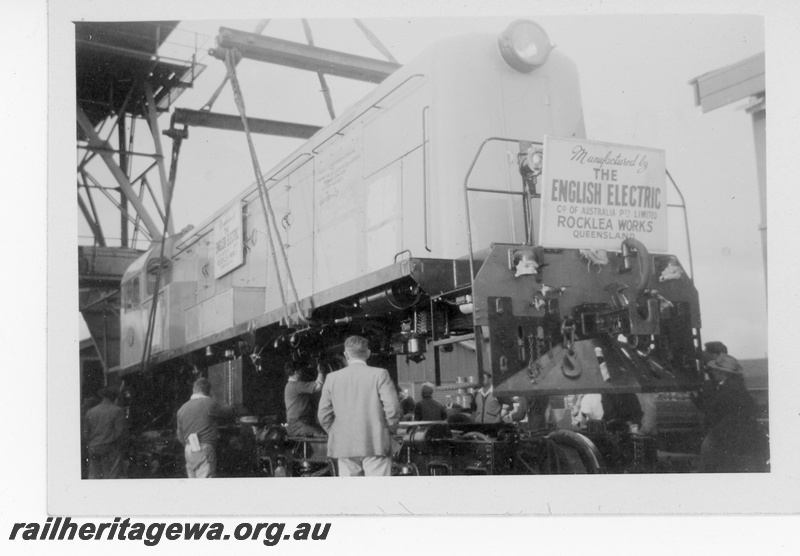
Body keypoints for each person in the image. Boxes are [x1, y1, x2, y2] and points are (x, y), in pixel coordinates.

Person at [317, 336, 401, 477]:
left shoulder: (332, 378)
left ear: (346, 354)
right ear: (368, 353)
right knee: (377, 493)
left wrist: (336, 432)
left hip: (344, 445)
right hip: (376, 443)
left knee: (351, 494)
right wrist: (387, 430)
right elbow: (392, 408)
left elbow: (323, 414)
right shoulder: (380, 374)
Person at [694, 353, 763, 472]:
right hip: (746, 438)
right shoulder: (739, 388)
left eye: (715, 370)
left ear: (722, 373)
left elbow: (714, 414)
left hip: (726, 439)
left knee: (707, 454)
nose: (713, 372)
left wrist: (697, 401)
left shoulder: (725, 391)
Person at [176, 377, 235, 478]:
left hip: (189, 450)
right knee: (205, 485)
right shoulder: (209, 403)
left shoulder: (182, 409)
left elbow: (180, 436)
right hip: (205, 449)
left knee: (193, 485)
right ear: (208, 391)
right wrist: (214, 398)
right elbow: (230, 411)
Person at [83, 387, 128, 479]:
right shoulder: (118, 411)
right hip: (109, 449)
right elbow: (120, 433)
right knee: (111, 476)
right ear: (114, 397)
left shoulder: (91, 412)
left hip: (93, 447)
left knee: (94, 477)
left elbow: (86, 433)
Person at [284, 361, 325, 437]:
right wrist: (320, 372)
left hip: (294, 422)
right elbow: (318, 386)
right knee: (321, 435)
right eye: (300, 371)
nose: (302, 372)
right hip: (297, 423)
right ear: (296, 372)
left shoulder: (288, 385)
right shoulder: (297, 385)